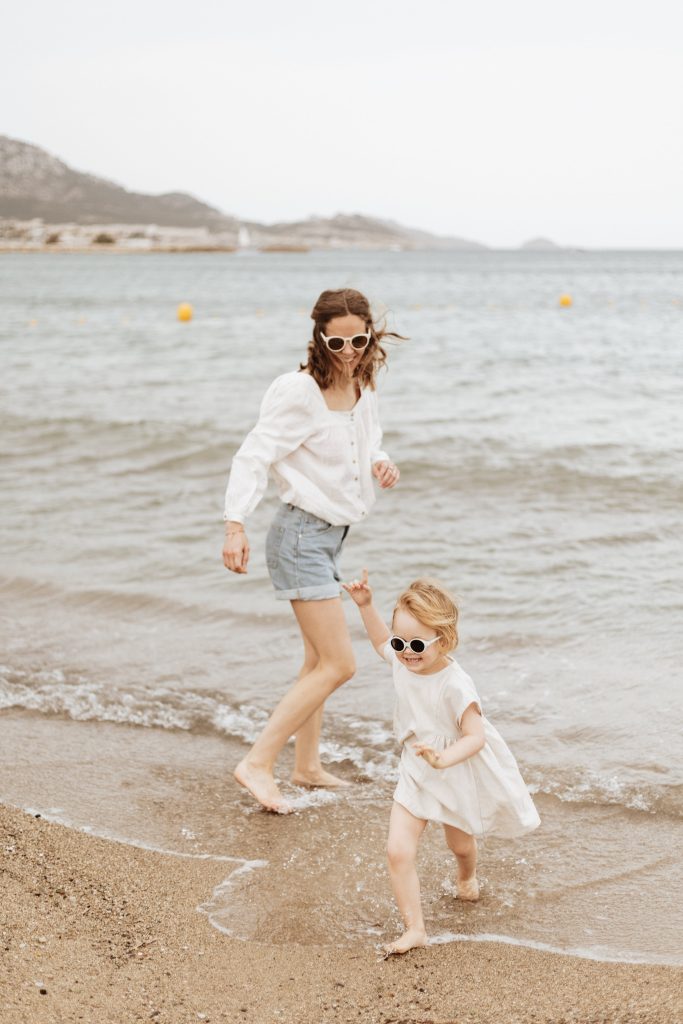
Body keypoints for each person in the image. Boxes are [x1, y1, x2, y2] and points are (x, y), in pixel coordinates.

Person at [223, 288, 403, 814]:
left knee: (316, 661)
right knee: (340, 664)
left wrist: (380, 462)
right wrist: (234, 524)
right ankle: (257, 763)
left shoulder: (361, 387)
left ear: (370, 336)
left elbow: (368, 441)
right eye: (336, 342)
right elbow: (253, 454)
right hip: (300, 537)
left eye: (357, 341)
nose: (347, 352)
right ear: (319, 338)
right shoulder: (300, 391)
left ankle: (306, 767)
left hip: (330, 537)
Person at [342, 570, 541, 956]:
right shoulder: (403, 660)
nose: (406, 651)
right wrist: (366, 606)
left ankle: (467, 876)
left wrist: (443, 759)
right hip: (416, 768)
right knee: (398, 850)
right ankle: (415, 928)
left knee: (460, 845)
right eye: (401, 642)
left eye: (417, 643)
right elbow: (380, 641)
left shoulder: (455, 684)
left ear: (444, 639)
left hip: (453, 769)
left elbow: (475, 737)